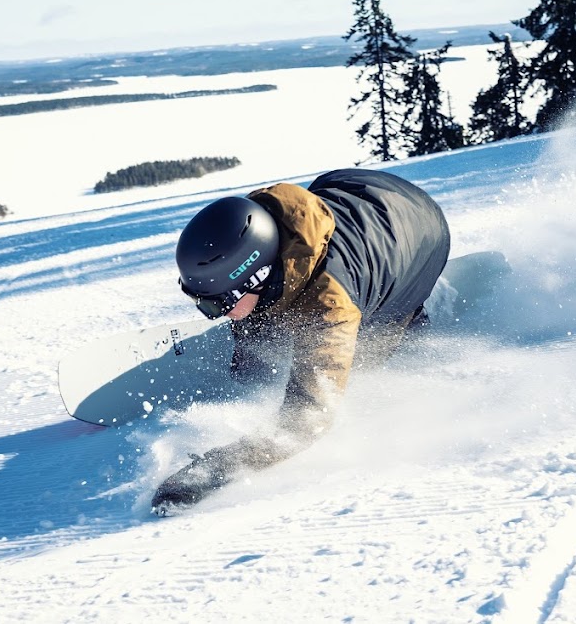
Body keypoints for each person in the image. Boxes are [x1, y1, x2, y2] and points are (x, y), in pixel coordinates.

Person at [153, 167, 451, 512]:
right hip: (359, 188)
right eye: (203, 302)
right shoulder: (259, 224)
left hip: (423, 237)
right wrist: (250, 355)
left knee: (368, 354)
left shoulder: (332, 307)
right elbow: (256, 297)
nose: (215, 312)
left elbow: (306, 418)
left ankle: (413, 320)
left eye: (219, 302)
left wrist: (211, 470)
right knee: (260, 315)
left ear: (259, 275)